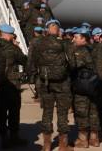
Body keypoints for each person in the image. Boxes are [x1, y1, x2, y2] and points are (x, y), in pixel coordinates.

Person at [29, 19, 72, 151]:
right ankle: (63, 146)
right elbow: (73, 63)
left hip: (45, 83)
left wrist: (34, 77)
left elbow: (31, 62)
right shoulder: (64, 43)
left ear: (47, 29)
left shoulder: (37, 43)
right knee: (62, 113)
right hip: (62, 83)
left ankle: (47, 145)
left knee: (47, 113)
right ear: (58, 29)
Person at [0, 24, 27, 148]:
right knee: (14, 111)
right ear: (9, 36)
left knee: (1, 112)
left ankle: (3, 138)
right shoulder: (13, 49)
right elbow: (24, 61)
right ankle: (14, 137)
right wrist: (17, 46)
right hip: (12, 85)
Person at [68, 28, 100, 148]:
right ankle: (94, 138)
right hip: (95, 85)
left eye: (76, 37)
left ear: (83, 38)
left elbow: (73, 66)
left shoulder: (79, 51)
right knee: (93, 111)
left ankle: (83, 140)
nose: (73, 39)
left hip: (82, 85)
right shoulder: (95, 49)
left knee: (82, 112)